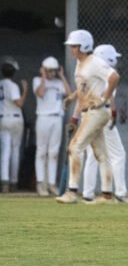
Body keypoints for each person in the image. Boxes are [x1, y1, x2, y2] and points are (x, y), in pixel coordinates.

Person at [56, 30, 118, 204]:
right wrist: (72, 101)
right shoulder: (80, 63)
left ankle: (72, 192)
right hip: (88, 112)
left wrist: (104, 98)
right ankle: (107, 195)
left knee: (74, 147)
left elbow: (114, 77)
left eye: (74, 46)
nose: (72, 50)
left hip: (96, 111)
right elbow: (85, 88)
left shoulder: (94, 62)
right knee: (101, 154)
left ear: (84, 46)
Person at [81, 44, 128, 204]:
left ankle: (87, 194)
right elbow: (106, 96)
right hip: (102, 114)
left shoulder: (89, 70)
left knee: (93, 156)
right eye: (113, 57)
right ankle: (121, 193)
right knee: (118, 154)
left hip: (89, 115)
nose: (116, 61)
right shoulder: (104, 72)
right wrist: (112, 112)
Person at [33, 57, 70, 196]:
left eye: (54, 71)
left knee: (53, 153)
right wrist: (43, 76)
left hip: (57, 117)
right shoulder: (37, 81)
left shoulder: (59, 82)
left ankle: (51, 183)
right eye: (50, 71)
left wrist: (61, 76)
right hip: (43, 117)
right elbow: (41, 93)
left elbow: (69, 93)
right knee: (41, 151)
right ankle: (41, 183)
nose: (52, 74)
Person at [1, 60, 29, 193]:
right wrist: (25, 90)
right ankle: (13, 181)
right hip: (14, 119)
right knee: (14, 150)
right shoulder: (12, 85)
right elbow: (19, 103)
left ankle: (4, 181)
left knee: (4, 151)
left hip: (2, 119)